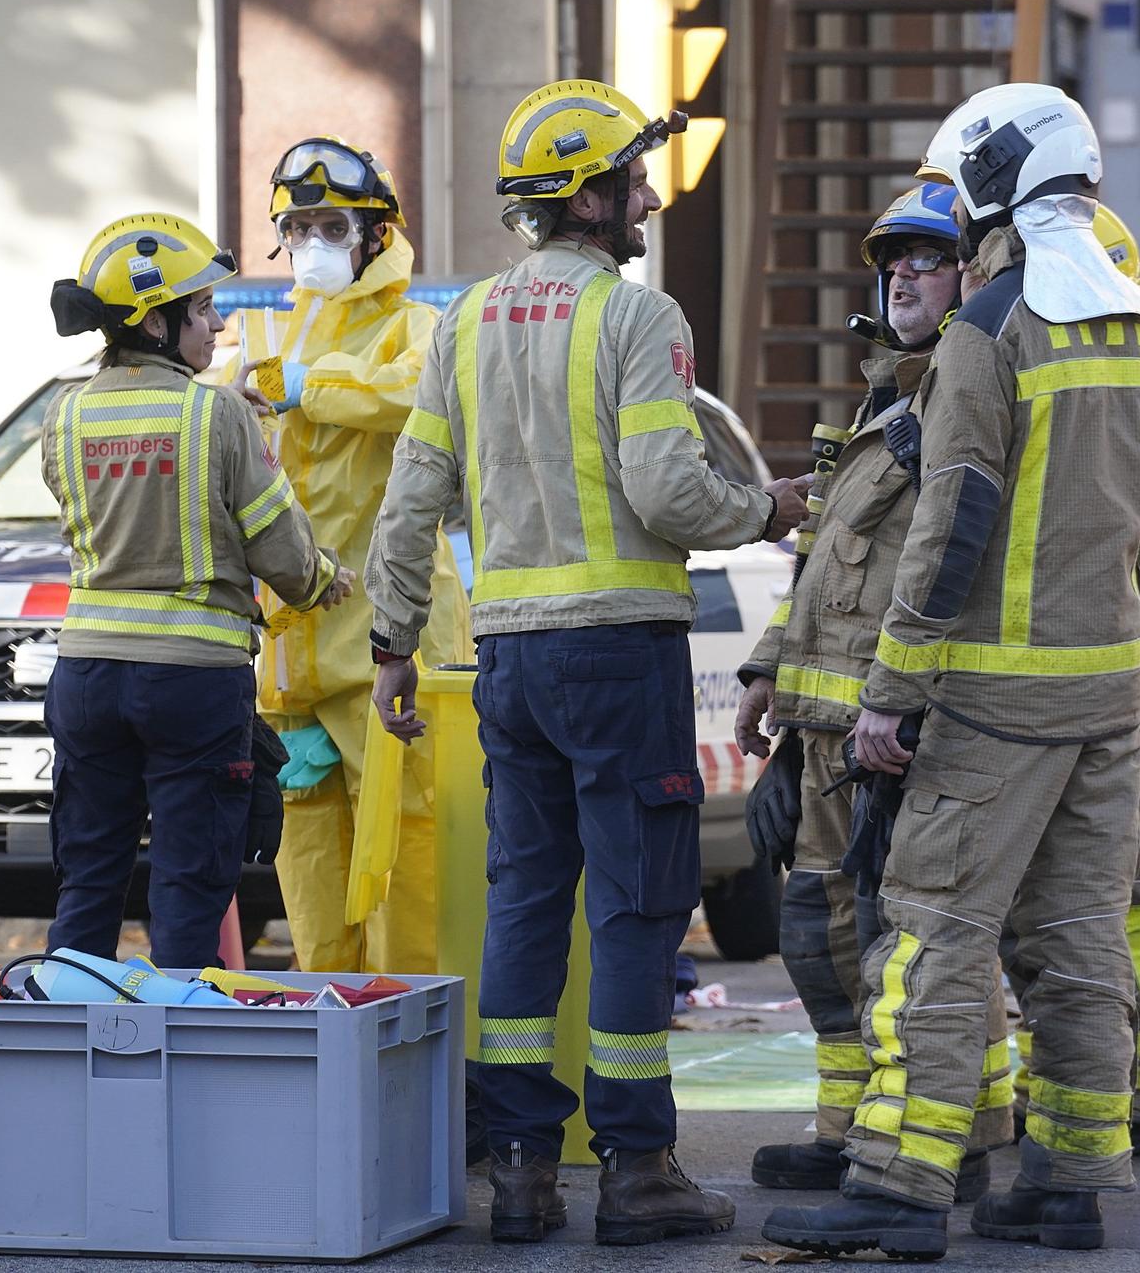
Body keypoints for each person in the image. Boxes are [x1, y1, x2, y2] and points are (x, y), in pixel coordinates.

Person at [366, 78, 810, 1247]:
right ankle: (635, 1168)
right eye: (633, 179)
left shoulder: (459, 322)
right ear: (590, 194)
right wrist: (767, 508)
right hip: (617, 655)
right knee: (634, 909)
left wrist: (391, 643)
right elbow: (668, 488)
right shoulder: (634, 317)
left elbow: (409, 502)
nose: (650, 197)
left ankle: (518, 1171)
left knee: (522, 905)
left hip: (506, 661)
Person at [762, 84, 1140, 1258]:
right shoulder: (1123, 319)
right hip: (1102, 692)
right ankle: (1064, 1181)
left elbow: (955, 520)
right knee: (1076, 942)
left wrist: (890, 691)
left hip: (991, 702)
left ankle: (897, 1187)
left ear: (994, 181)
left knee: (930, 934)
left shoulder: (986, 326)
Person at [735, 184, 1012, 1202]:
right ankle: (843, 1125)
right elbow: (825, 557)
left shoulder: (960, 392)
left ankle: (958, 1136)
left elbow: (946, 560)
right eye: (891, 255)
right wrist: (768, 663)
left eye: (926, 258)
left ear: (969, 278)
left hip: (888, 728)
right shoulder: (885, 392)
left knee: (909, 948)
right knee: (818, 938)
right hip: (820, 724)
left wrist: (901, 701)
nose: (899, 271)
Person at [41, 213, 350, 970]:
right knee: (188, 882)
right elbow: (278, 544)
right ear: (154, 319)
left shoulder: (64, 412)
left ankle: (59, 1049)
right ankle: (176, 1057)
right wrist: (321, 581)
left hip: (85, 678)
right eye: (203, 309)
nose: (216, 324)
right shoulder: (213, 413)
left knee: (88, 875)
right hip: (191, 682)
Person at [214, 138, 472, 973]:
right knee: (312, 866)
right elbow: (214, 408)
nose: (312, 243)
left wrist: (304, 384)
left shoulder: (417, 325)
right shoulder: (274, 330)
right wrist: (251, 387)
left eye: (332, 224)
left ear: (374, 232)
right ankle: (334, 1049)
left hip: (392, 642)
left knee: (406, 855)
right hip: (295, 655)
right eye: (298, 227)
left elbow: (413, 391)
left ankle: (418, 1049)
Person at [999, 213, 1140, 1158]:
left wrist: (1104, 597)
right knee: (1134, 890)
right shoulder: (1138, 376)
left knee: (1125, 891)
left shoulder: (1134, 382)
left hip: (1137, 682)